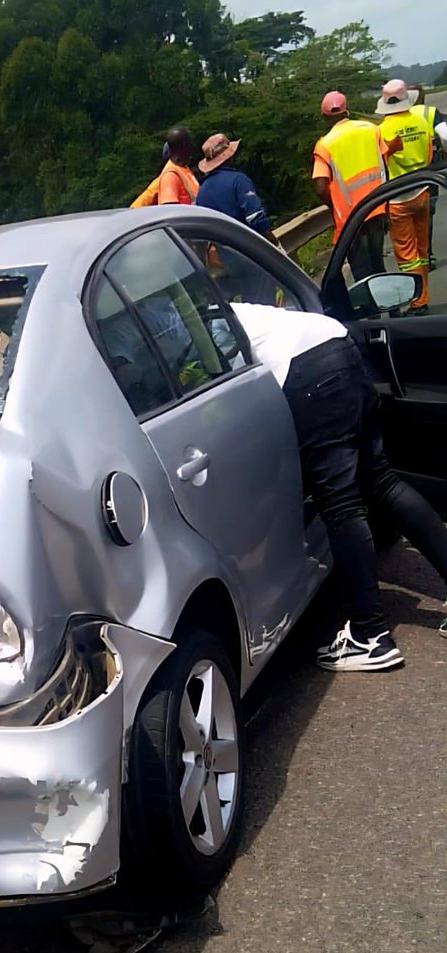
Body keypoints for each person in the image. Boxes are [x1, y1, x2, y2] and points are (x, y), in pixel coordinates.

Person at [230, 301, 447, 669]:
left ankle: (370, 636)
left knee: (341, 504)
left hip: (309, 372)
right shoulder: (217, 301)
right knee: (381, 482)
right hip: (337, 342)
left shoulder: (193, 320)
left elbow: (218, 380)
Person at [312, 90, 389, 283]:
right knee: (377, 263)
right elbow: (384, 165)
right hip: (377, 208)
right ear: (346, 110)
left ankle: (371, 312)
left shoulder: (325, 145)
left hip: (350, 218)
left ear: (324, 117)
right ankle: (392, 308)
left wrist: (334, 205)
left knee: (362, 270)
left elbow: (321, 188)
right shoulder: (372, 129)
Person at [195, 132, 279, 302]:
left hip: (226, 262)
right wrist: (273, 243)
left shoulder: (202, 192)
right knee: (265, 305)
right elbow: (256, 218)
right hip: (251, 255)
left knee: (249, 307)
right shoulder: (238, 181)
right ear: (229, 157)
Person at [376, 79, 435, 312]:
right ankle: (424, 296)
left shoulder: (382, 130)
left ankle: (417, 301)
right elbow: (430, 153)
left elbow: (381, 161)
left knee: (407, 254)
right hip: (423, 188)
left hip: (399, 196)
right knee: (422, 250)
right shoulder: (421, 120)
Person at [409, 85, 447, 269]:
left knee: (405, 214)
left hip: (401, 174)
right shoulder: (431, 113)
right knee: (426, 212)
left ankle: (412, 257)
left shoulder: (394, 117)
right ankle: (427, 255)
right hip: (429, 170)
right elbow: (445, 136)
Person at [130, 127, 199, 208]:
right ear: (185, 145)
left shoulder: (183, 168)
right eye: (190, 142)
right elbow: (169, 211)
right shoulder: (170, 176)